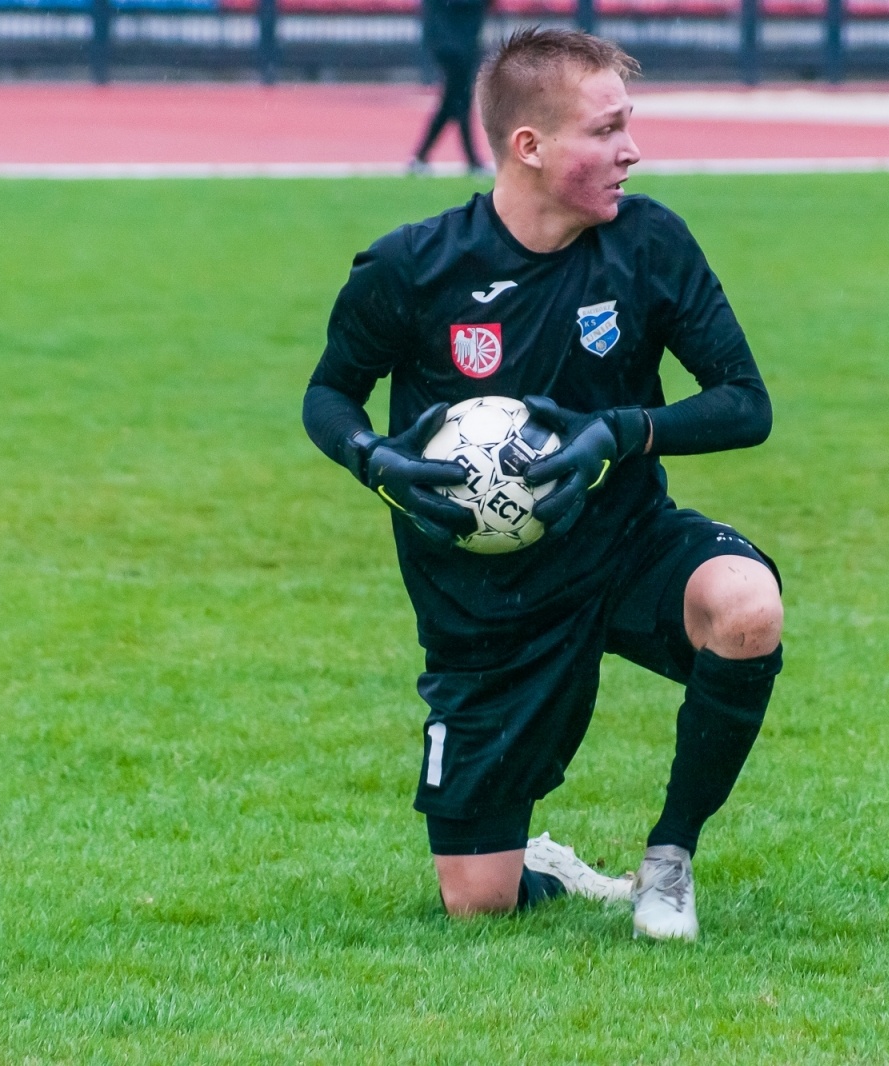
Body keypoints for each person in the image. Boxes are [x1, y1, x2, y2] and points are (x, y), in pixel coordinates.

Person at [304, 28, 783, 941]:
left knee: (746, 605)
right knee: (476, 904)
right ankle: (542, 865)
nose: (631, 150)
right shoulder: (413, 267)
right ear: (529, 145)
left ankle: (668, 861)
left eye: (628, 126)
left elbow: (745, 404)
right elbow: (329, 393)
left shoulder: (649, 244)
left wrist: (621, 431)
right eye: (606, 131)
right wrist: (375, 461)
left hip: (625, 545)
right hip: (488, 596)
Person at [410, 0, 490, 174]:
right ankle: (472, 160)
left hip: (457, 43)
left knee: (452, 102)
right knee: (461, 100)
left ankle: (421, 156)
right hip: (454, 45)